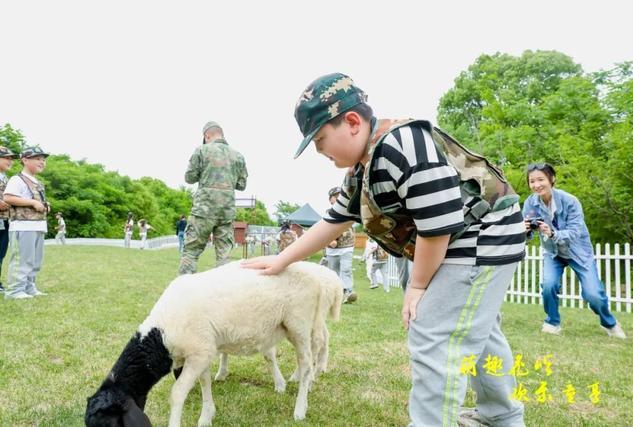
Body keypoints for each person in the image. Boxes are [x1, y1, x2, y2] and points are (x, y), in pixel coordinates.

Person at [243, 73, 527, 426]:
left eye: (320, 139)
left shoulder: (400, 144)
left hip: (482, 236)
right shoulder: (362, 171)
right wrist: (281, 259)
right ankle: (501, 416)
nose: (319, 151)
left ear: (351, 122)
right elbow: (333, 220)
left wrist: (418, 286)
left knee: (432, 332)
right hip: (467, 237)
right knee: (476, 331)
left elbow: (437, 223)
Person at [523, 163, 626, 339]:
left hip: (578, 252)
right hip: (553, 252)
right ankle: (552, 322)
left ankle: (610, 323)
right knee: (548, 286)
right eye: (532, 181)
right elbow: (527, 234)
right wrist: (524, 229)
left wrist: (553, 232)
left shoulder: (570, 201)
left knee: (593, 294)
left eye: (541, 179)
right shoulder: (530, 202)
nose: (536, 185)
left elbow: (575, 232)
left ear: (552, 179)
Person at [179, 121, 248, 273]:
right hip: (226, 212)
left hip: (203, 210)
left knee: (190, 252)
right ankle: (223, 293)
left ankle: (184, 292)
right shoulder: (238, 156)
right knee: (224, 257)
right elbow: (242, 185)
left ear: (207, 136)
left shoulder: (202, 150)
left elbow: (189, 178)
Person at [3, 146, 50, 299]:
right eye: (37, 159)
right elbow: (8, 197)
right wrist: (32, 203)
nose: (42, 162)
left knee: (35, 260)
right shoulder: (17, 179)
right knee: (22, 260)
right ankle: (15, 291)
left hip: (38, 225)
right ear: (24, 160)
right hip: (23, 226)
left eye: (43, 160)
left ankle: (29, 287)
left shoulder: (37, 181)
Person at [326, 186, 357, 304]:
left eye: (340, 196)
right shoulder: (328, 213)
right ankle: (336, 293)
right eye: (336, 196)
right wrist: (329, 240)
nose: (339, 198)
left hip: (347, 247)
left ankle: (348, 291)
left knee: (346, 269)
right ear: (330, 199)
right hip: (332, 249)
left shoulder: (349, 210)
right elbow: (326, 230)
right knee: (333, 272)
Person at [0, 146, 19, 293]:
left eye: (11, 158)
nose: (10, 161)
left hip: (5, 220)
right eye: (6, 158)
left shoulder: (5, 178)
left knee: (1, 252)